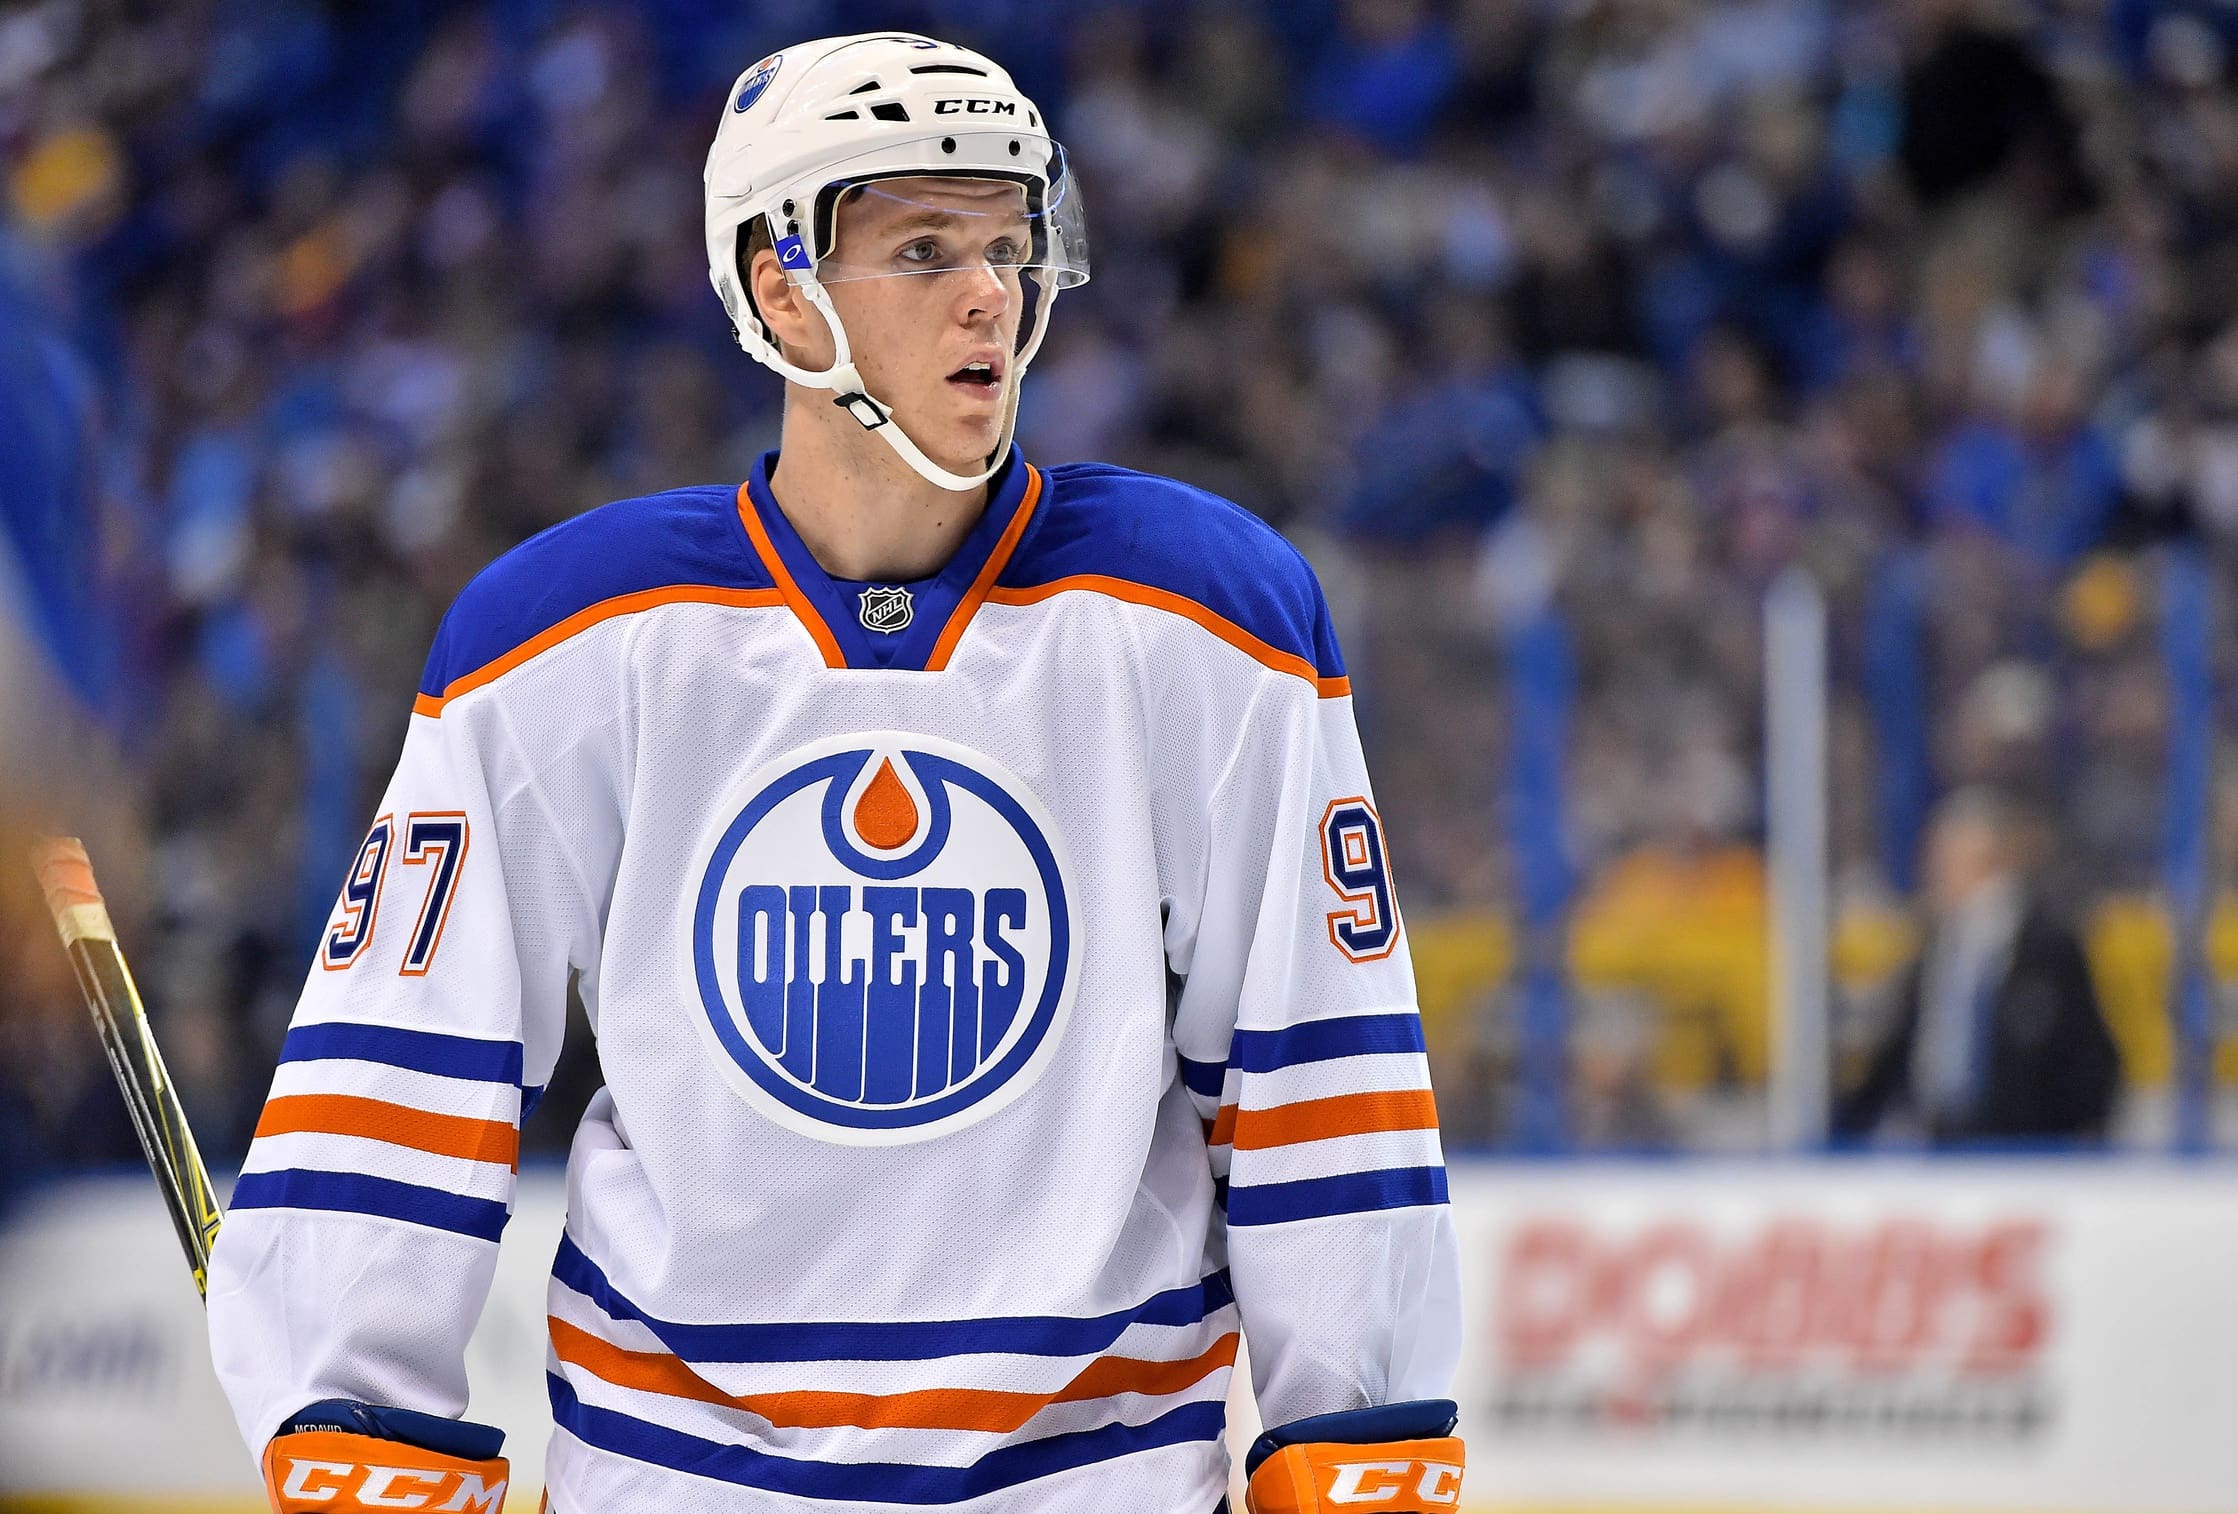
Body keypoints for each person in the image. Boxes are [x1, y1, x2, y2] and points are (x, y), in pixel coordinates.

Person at [207, 33, 1464, 1514]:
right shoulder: (561, 640)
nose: (992, 291)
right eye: (923, 248)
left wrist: (1354, 1432)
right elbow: (399, 1074)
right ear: (777, 284)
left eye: (1009, 243)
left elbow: (1319, 1068)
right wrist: (362, 1405)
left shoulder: (1210, 620)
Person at [1835, 787, 2121, 1145]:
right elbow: (1902, 1049)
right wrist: (1844, 1123)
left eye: (1944, 858)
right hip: (1939, 1141)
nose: (1932, 870)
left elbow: (2089, 1059)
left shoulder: (2048, 948)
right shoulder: (1937, 945)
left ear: (1985, 860)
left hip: (2024, 1147)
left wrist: (2064, 1141)